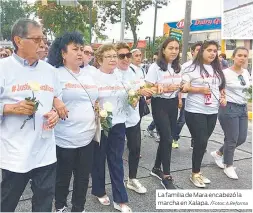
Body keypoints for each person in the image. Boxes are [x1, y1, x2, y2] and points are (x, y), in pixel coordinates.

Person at [0, 18, 61, 212]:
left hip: (45, 151)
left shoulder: (50, 71)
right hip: (15, 153)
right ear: (18, 41)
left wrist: (54, 113)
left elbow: (55, 99)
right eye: (36, 39)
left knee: (44, 202)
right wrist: (9, 108)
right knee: (7, 202)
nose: (42, 43)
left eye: (43, 38)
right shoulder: (3, 68)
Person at [48, 32, 98, 212]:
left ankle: (79, 207)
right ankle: (60, 206)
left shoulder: (90, 74)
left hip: (88, 136)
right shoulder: (54, 73)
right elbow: (45, 95)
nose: (79, 53)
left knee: (83, 177)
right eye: (74, 49)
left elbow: (94, 98)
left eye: (81, 49)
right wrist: (55, 99)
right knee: (63, 176)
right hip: (64, 138)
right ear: (63, 53)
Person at [91, 44, 132, 212]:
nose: (113, 59)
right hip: (101, 124)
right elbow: (90, 99)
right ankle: (99, 190)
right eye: (109, 56)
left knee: (116, 161)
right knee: (99, 160)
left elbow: (130, 95)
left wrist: (135, 97)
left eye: (115, 56)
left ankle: (120, 199)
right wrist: (96, 110)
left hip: (119, 123)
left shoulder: (121, 76)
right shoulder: (93, 77)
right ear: (100, 59)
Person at [181, 40, 226, 188]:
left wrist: (223, 95)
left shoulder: (217, 68)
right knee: (200, 141)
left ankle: (197, 172)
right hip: (195, 110)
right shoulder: (191, 67)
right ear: (202, 52)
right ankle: (194, 173)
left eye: (215, 51)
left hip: (212, 110)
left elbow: (220, 86)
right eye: (209, 50)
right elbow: (184, 87)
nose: (213, 53)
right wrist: (198, 90)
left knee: (203, 143)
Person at [115, 42, 154, 195]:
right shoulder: (112, 72)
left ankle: (132, 179)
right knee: (115, 154)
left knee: (135, 149)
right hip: (116, 119)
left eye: (128, 55)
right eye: (121, 56)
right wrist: (136, 93)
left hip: (133, 118)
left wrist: (148, 90)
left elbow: (142, 86)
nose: (126, 59)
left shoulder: (134, 70)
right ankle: (112, 184)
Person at [146, 37, 182, 189]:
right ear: (163, 50)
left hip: (173, 104)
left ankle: (156, 168)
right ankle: (166, 176)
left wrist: (181, 91)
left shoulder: (177, 67)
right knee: (167, 138)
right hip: (159, 103)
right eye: (170, 48)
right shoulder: (155, 67)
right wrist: (162, 88)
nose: (174, 51)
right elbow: (148, 89)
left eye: (176, 48)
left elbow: (181, 85)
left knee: (168, 138)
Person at [211, 47, 251, 179]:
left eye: (245, 56)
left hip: (242, 108)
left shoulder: (246, 72)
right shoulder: (225, 73)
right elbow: (216, 89)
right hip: (229, 108)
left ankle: (218, 153)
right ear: (233, 57)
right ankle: (228, 165)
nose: (242, 58)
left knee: (241, 138)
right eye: (239, 55)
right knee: (232, 138)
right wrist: (221, 98)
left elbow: (247, 89)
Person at [172, 41, 202, 149]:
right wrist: (179, 98)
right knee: (182, 120)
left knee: (198, 123)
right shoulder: (185, 66)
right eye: (198, 50)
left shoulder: (205, 66)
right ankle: (174, 138)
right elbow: (180, 83)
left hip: (199, 99)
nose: (200, 52)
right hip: (186, 98)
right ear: (192, 52)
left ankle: (195, 142)